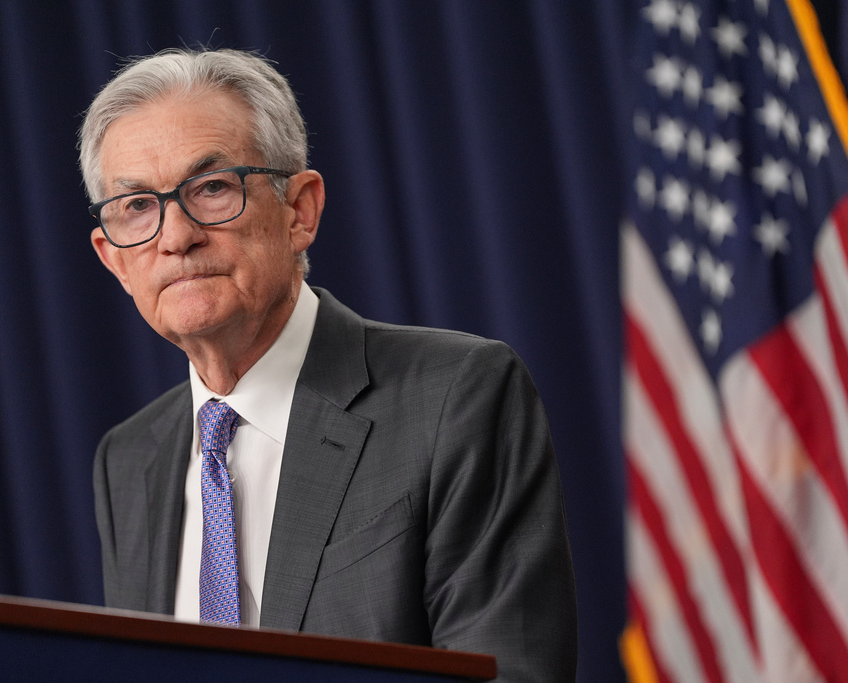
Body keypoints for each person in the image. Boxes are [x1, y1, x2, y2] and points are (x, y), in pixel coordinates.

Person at [80, 47, 577, 681]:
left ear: (299, 211)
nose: (175, 236)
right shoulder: (127, 461)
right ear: (114, 258)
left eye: (210, 188)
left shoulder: (456, 397)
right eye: (138, 208)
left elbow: (512, 670)